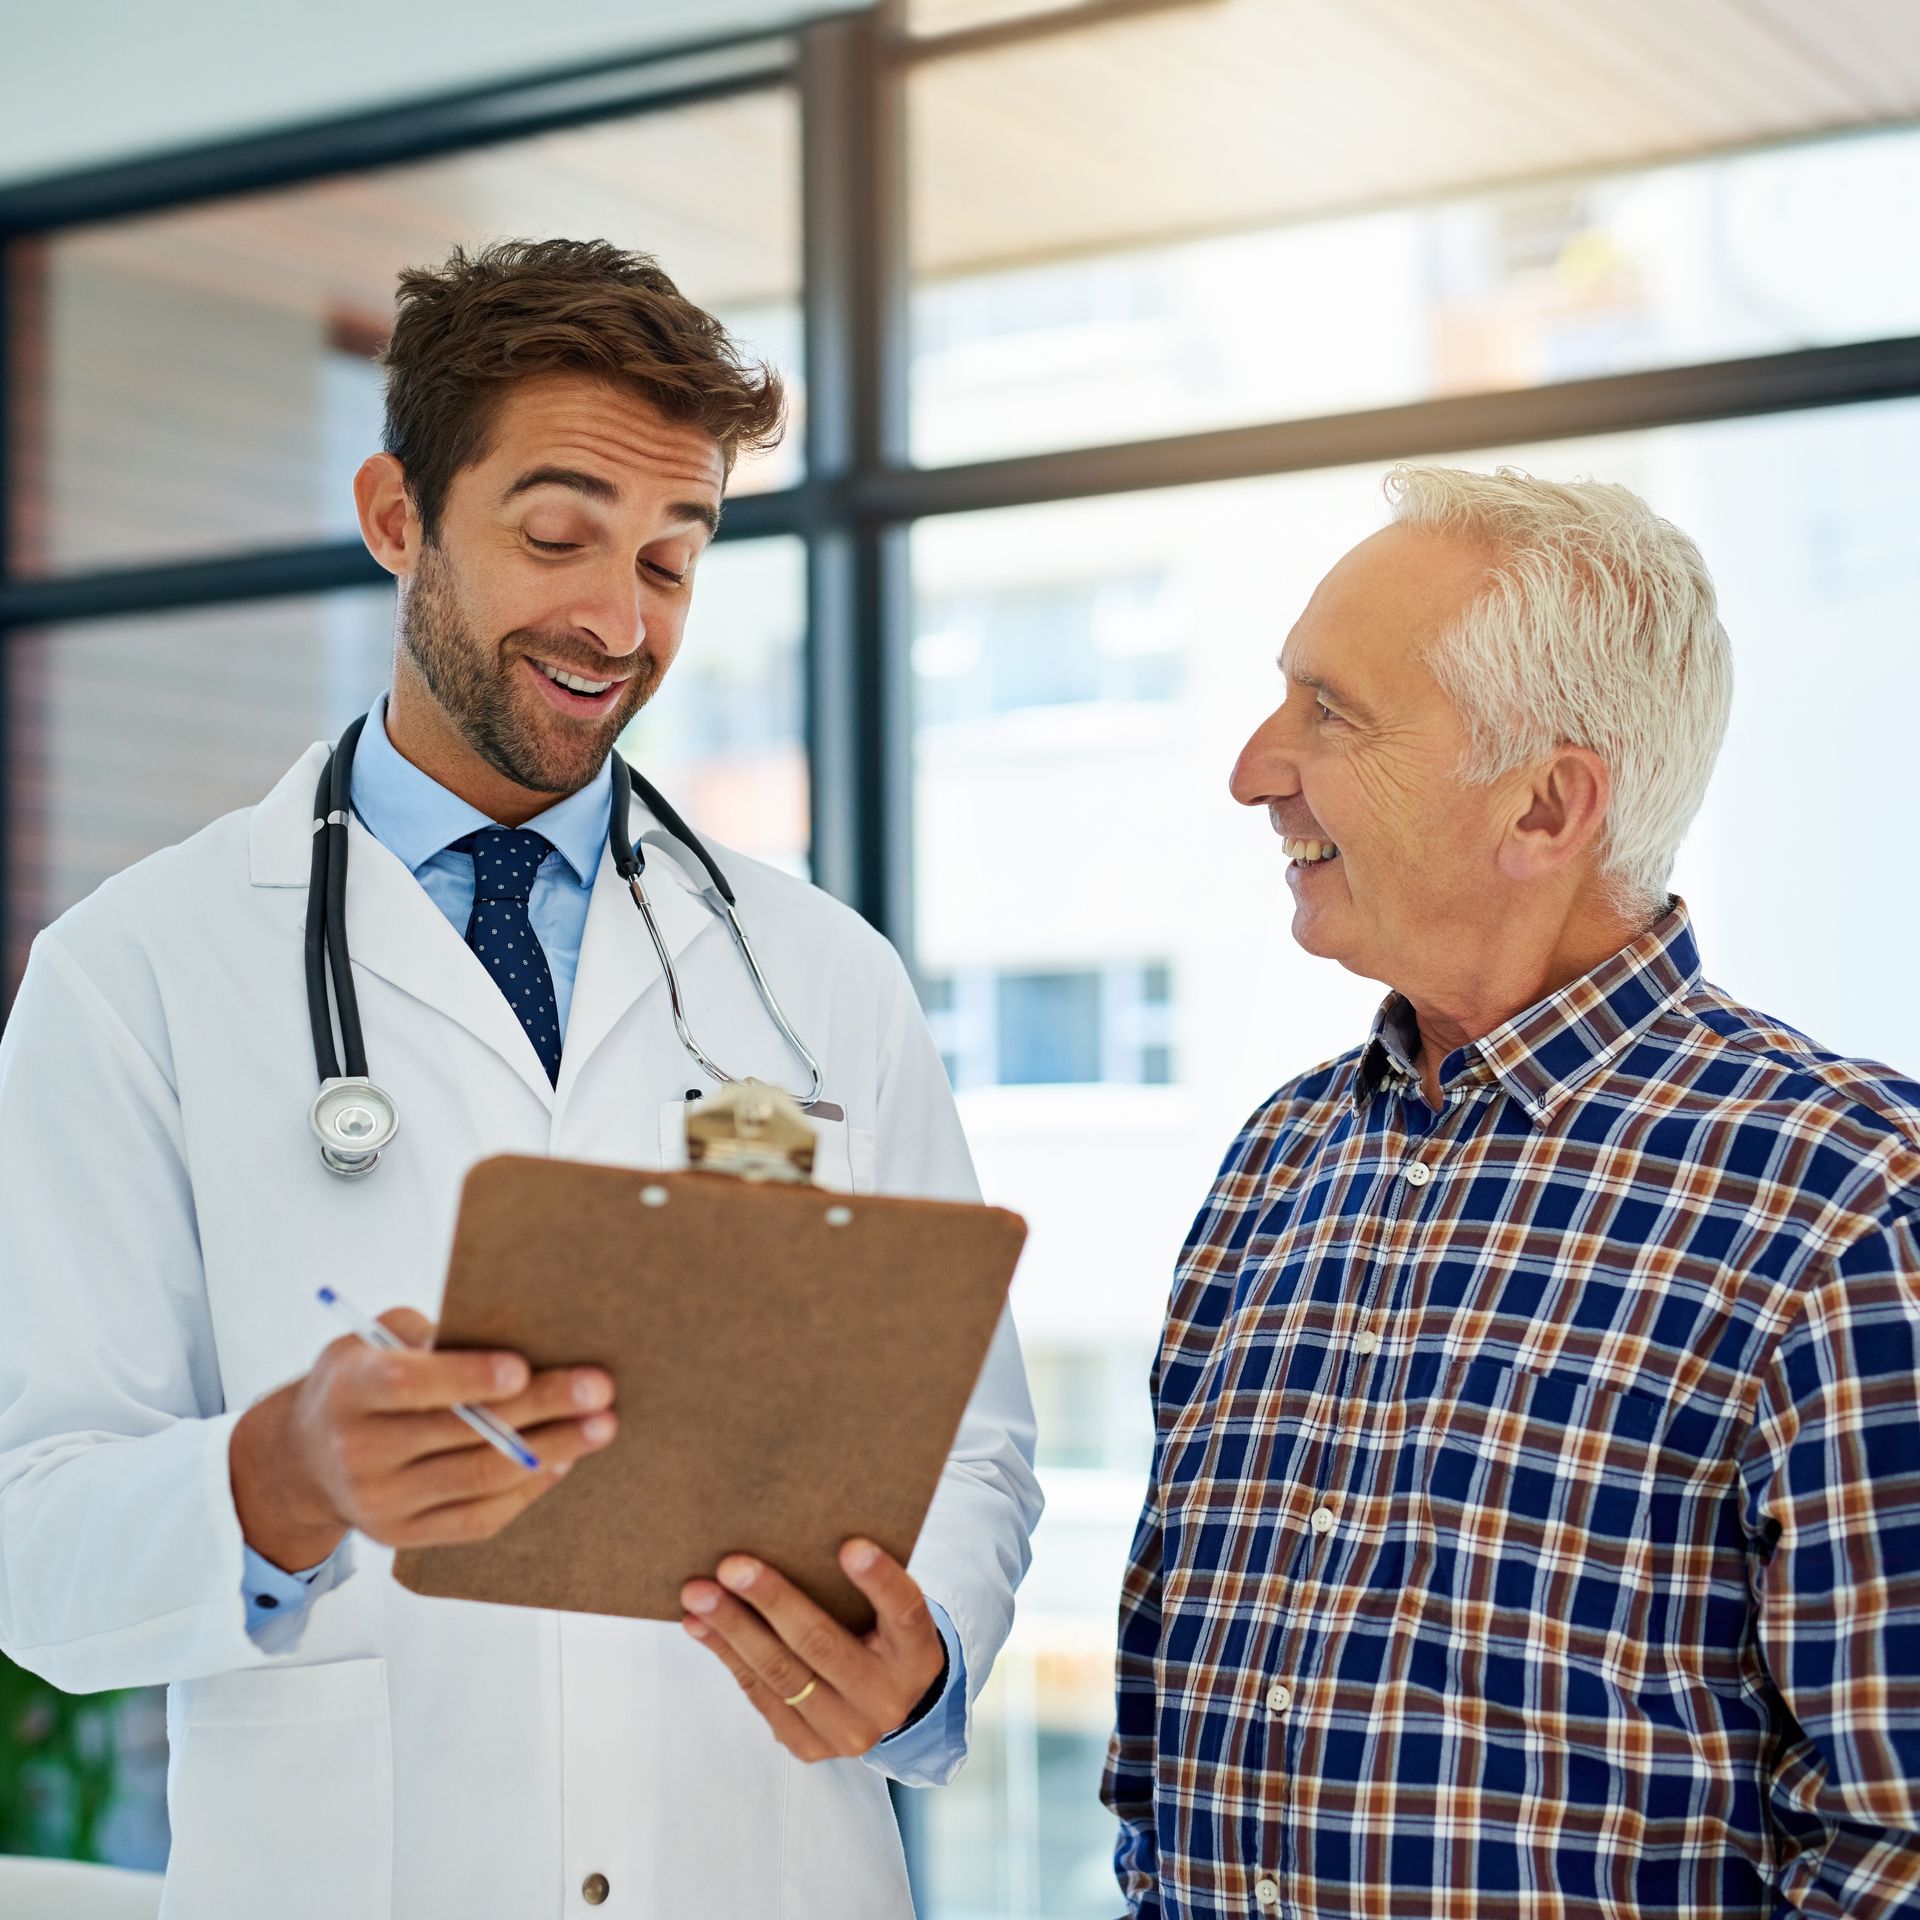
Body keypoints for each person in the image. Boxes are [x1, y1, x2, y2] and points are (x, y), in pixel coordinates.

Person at [0, 238, 1040, 1919]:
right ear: (398, 514)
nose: (618, 621)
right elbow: (31, 1542)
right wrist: (287, 1474)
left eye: (673, 560)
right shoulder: (134, 974)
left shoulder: (816, 973)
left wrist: (917, 1659)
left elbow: (973, 1450)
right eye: (556, 536)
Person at [1102, 465, 1920, 1917]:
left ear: (1546, 807)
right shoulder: (1276, 1165)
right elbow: (1159, 1747)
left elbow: (1894, 1850)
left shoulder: (1850, 1204)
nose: (1253, 768)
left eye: (1330, 712)